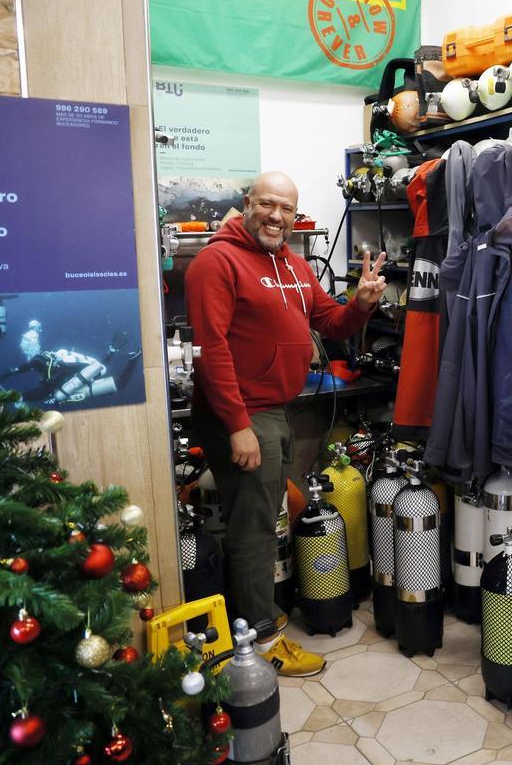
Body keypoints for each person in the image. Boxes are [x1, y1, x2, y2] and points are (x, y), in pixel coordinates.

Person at [185, 171, 386, 676]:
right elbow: (212, 353)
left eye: (287, 210)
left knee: (270, 516)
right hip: (243, 412)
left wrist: (360, 304)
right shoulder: (216, 261)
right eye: (268, 205)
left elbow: (331, 322)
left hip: (276, 409)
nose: (277, 217)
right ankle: (259, 643)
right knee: (253, 530)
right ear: (248, 203)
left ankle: (257, 623)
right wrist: (236, 425)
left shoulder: (293, 265)